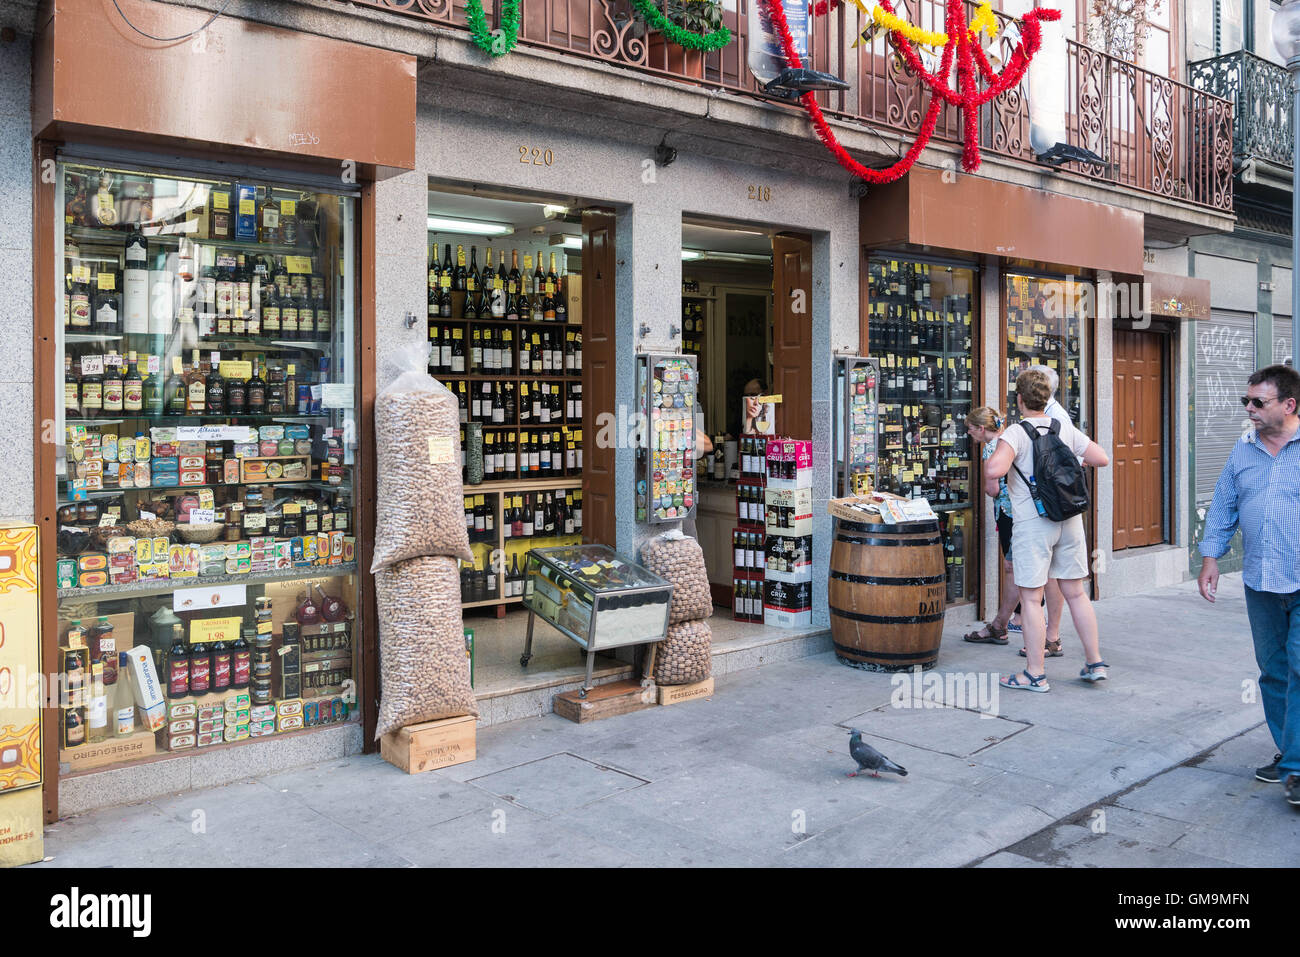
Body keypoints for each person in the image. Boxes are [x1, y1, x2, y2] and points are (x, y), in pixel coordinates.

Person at [1197, 364, 1300, 807]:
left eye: (1259, 402)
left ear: (1289, 405)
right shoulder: (1243, 451)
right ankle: (1289, 754)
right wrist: (1210, 558)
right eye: (1247, 401)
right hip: (1261, 580)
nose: (1250, 409)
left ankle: (1296, 767)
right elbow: (1223, 504)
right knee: (1273, 670)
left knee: (1299, 667)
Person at [984, 368, 1111, 692]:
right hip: (1068, 520)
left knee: (1030, 599)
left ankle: (1034, 673)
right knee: (1076, 592)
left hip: (1033, 525)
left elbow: (994, 469)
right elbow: (1101, 458)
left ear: (1020, 399)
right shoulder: (1062, 427)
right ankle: (1095, 662)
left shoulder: (1016, 432)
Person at [962, 407, 1018, 645]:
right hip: (1024, 512)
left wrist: (985, 487)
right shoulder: (1010, 440)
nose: (970, 434)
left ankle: (1003, 624)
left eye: (971, 429)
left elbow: (992, 488)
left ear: (981, 429)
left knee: (1012, 566)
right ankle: (1008, 620)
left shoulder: (990, 449)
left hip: (1008, 512)